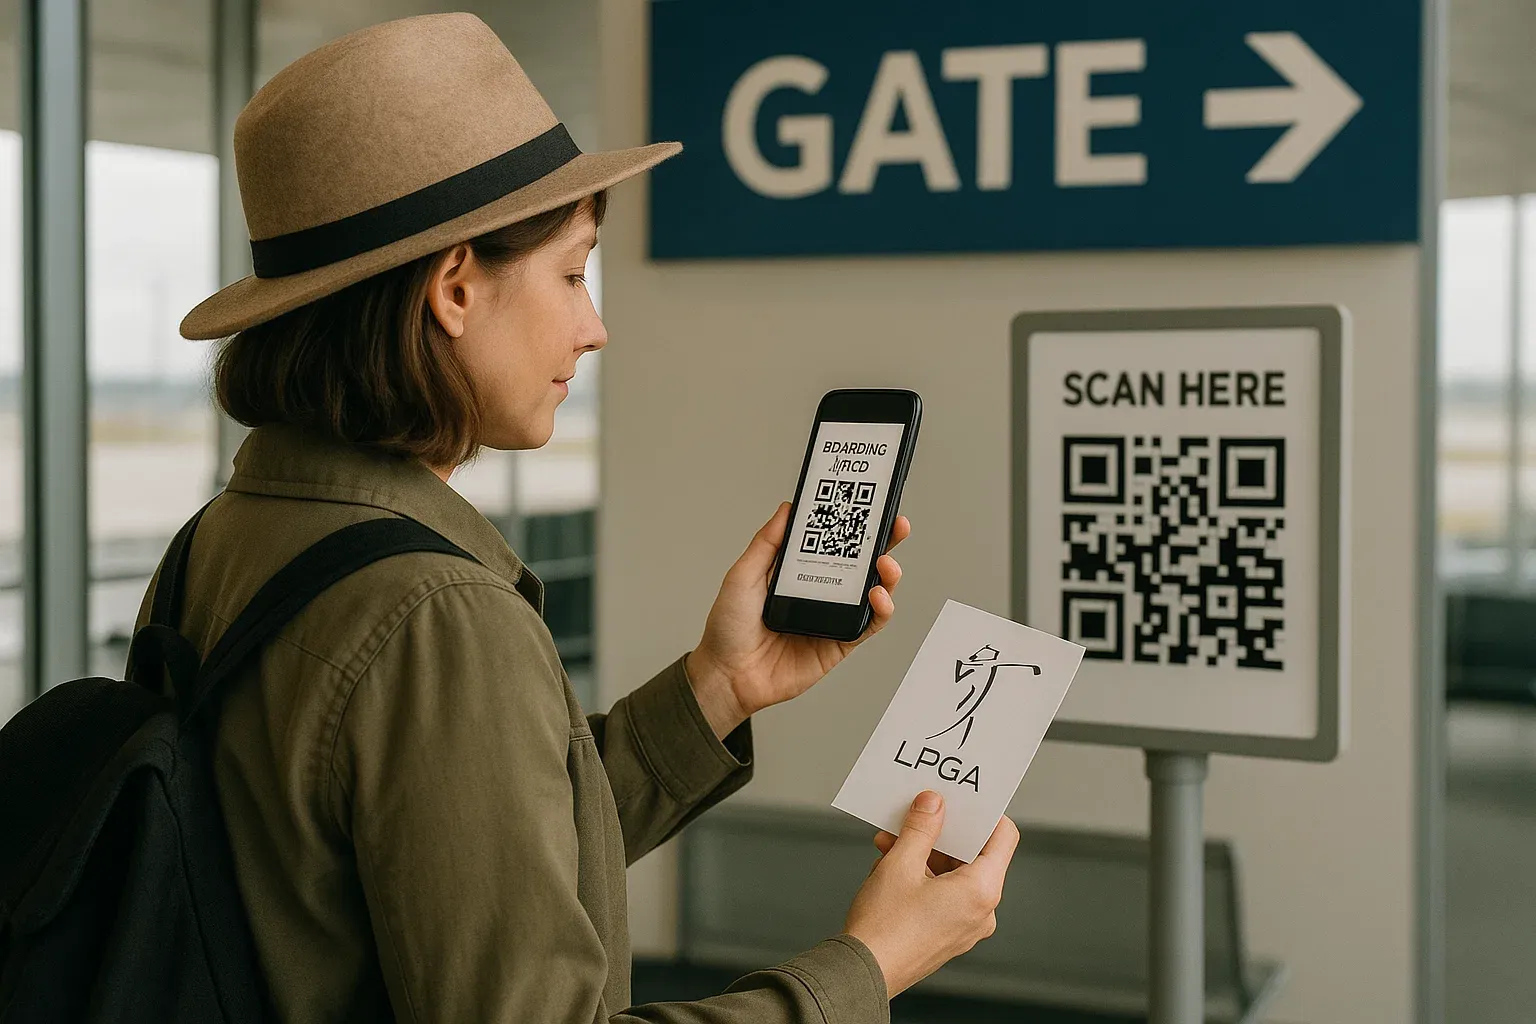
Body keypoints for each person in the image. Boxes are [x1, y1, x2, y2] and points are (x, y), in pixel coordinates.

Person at [154, 13, 1020, 1023]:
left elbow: (459, 854)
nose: (594, 326)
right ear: (455, 288)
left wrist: (719, 686)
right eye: (572, 273)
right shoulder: (437, 617)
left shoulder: (220, 541)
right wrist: (866, 964)